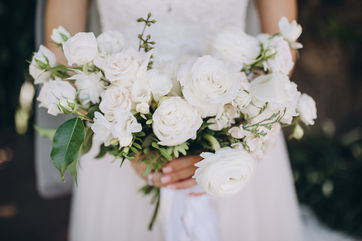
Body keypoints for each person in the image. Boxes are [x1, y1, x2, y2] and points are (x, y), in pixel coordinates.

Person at [43, 0, 303, 240]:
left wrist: (228, 137)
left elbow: (281, 48)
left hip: (236, 132)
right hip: (119, 132)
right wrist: (122, 138)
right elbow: (62, 52)